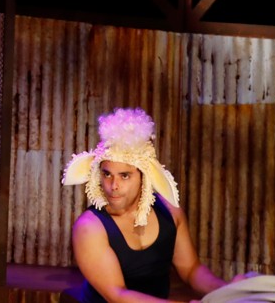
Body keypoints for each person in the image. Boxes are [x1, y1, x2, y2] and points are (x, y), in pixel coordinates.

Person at [62, 107, 253, 303]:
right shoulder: (89, 228)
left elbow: (191, 269)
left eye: (124, 176)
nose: (113, 186)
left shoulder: (170, 212)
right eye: (107, 174)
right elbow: (117, 296)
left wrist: (227, 291)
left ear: (144, 176)